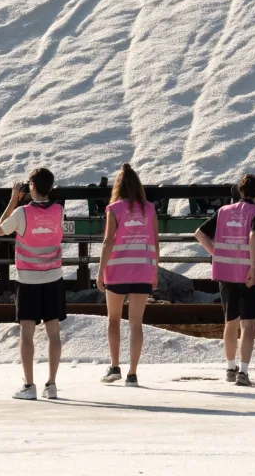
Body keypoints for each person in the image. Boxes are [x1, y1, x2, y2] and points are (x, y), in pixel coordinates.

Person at [0, 168, 66, 400]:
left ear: (32, 187)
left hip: (28, 279)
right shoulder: (58, 210)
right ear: (51, 188)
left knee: (27, 333)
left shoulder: (22, 212)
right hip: (53, 277)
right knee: (53, 332)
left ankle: (29, 385)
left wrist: (12, 201)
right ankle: (52, 384)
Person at [194, 174, 255, 387]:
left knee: (230, 322)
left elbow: (199, 233)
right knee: (248, 325)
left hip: (226, 273)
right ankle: (243, 372)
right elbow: (254, 237)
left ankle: (229, 367)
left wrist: (215, 253)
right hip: (248, 275)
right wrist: (252, 267)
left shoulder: (223, 211)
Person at [96, 163, 160, 387]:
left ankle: (115, 367)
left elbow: (108, 241)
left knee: (113, 319)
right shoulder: (150, 209)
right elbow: (154, 240)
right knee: (136, 323)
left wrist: (100, 270)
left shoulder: (114, 209)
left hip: (117, 271)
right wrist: (154, 269)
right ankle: (132, 374)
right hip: (142, 271)